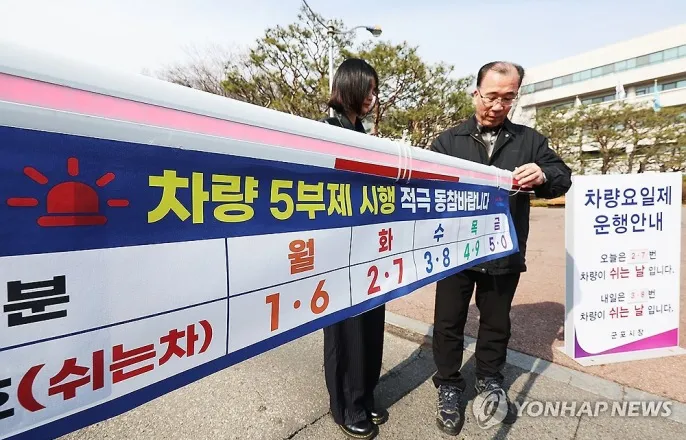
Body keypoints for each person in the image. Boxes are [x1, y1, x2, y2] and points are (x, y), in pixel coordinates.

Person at [428, 61, 572, 436]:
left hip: (503, 251)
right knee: (448, 321)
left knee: (496, 322)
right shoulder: (448, 142)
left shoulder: (529, 141)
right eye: (491, 96)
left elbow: (562, 178)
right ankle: (448, 384)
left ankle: (489, 380)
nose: (497, 106)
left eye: (507, 98)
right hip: (455, 252)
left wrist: (543, 174)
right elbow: (425, 189)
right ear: (475, 92)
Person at [319, 58, 387, 440]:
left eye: (375, 91)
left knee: (372, 325)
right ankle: (347, 406)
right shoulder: (324, 131)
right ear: (350, 87)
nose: (372, 97)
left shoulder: (363, 132)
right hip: (339, 250)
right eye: (369, 89)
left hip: (369, 247)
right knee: (347, 332)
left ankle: (366, 393)